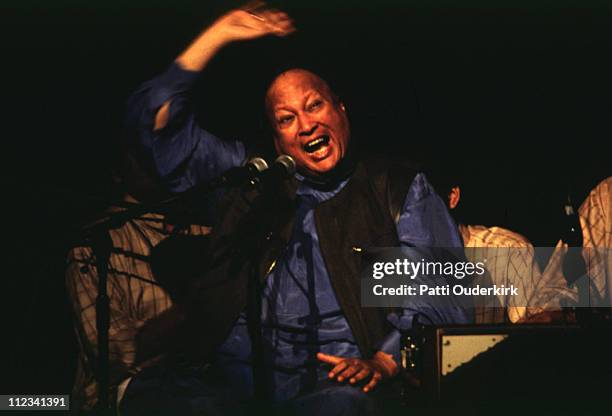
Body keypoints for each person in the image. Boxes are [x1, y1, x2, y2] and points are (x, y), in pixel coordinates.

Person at [125, 4, 472, 414]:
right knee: (148, 397)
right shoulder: (252, 181)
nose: (305, 125)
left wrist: (385, 360)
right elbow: (156, 128)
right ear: (276, 142)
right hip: (234, 383)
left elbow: (442, 292)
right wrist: (215, 36)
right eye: (286, 119)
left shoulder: (394, 188)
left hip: (335, 383)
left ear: (341, 110)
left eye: (314, 106)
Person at [66, 147, 211, 412]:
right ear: (119, 171)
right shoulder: (96, 244)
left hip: (202, 380)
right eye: (144, 150)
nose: (159, 158)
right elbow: (111, 352)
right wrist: (188, 312)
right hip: (124, 393)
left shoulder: (205, 229)